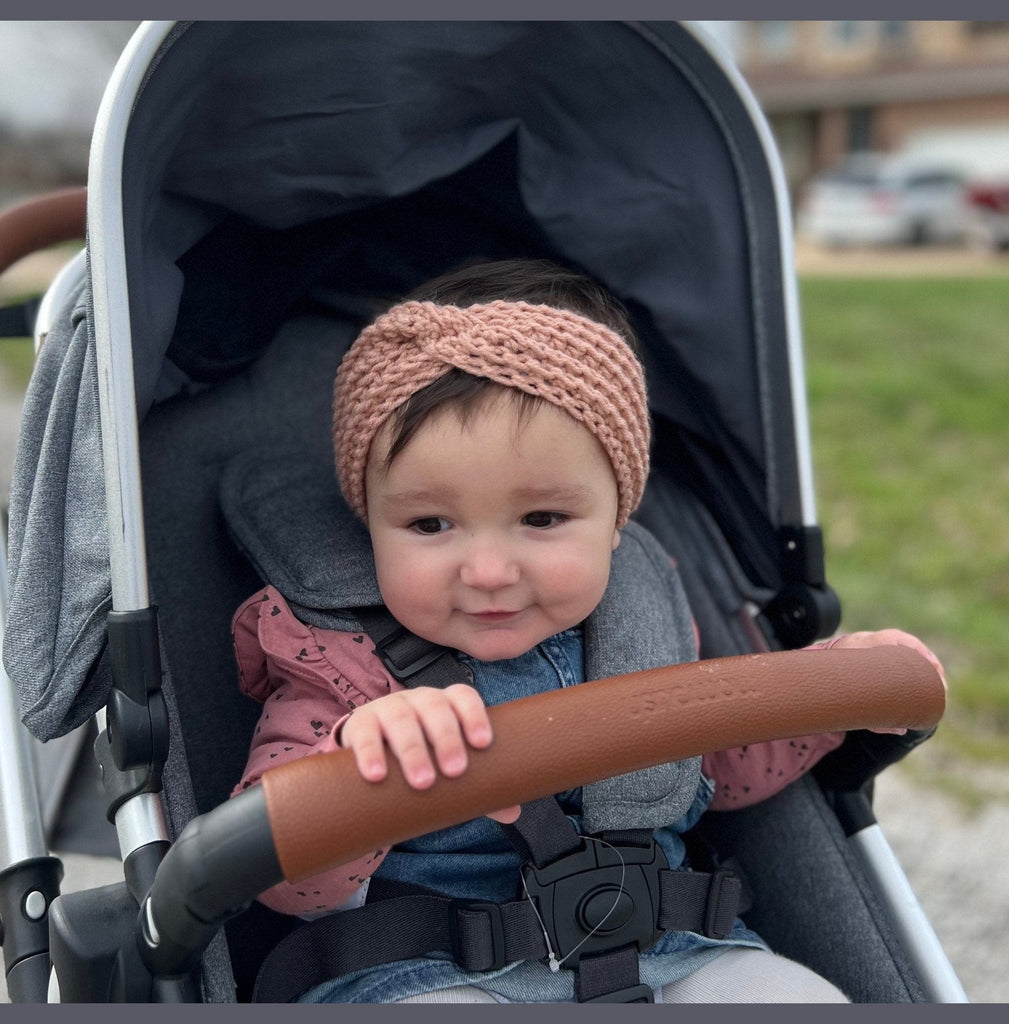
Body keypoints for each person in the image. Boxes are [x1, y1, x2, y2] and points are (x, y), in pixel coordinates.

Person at [231, 258, 945, 1003]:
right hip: (431, 967)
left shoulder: (645, 621)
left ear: (616, 520)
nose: (487, 570)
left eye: (541, 519)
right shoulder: (337, 660)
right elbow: (280, 880)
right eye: (429, 523)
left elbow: (720, 761)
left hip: (673, 948)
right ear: (369, 523)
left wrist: (830, 689)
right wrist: (355, 760)